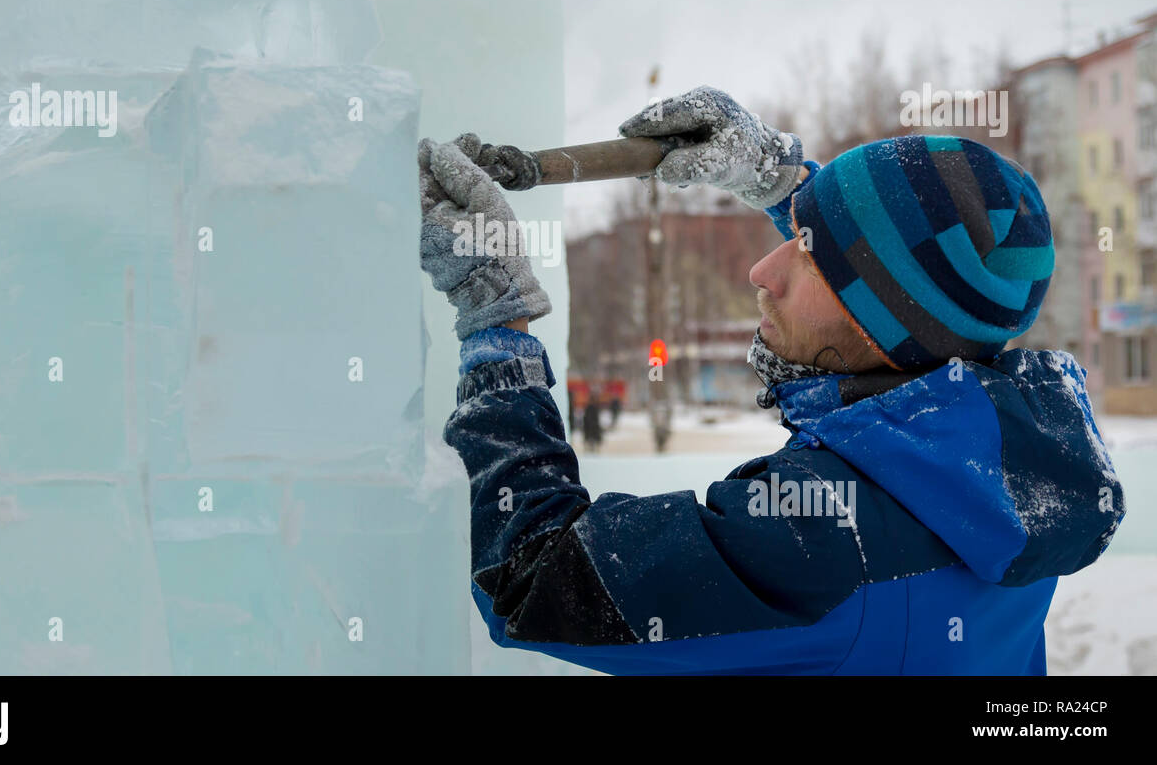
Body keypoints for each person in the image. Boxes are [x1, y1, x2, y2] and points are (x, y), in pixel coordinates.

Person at [417, 85, 1125, 675]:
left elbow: (536, 576)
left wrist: (496, 324)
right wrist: (781, 182)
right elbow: (900, 278)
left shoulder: (819, 544)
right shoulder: (1016, 460)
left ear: (883, 329)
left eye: (808, 256)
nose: (764, 270)